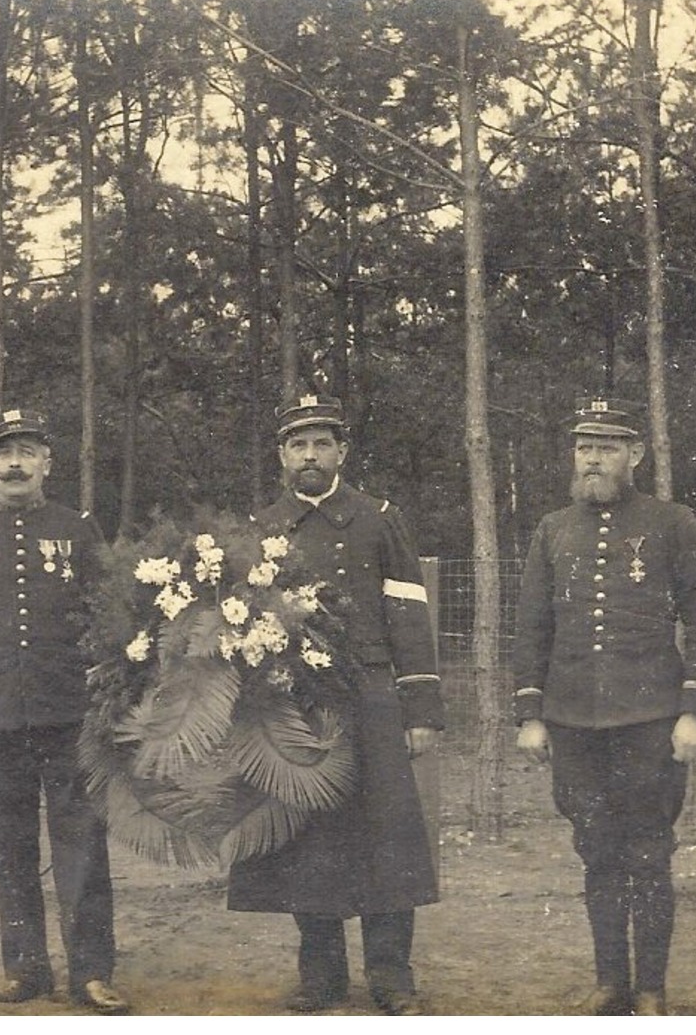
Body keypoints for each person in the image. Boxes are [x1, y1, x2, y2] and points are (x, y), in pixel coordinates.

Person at [227, 393, 445, 1016]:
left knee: (386, 832)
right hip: (297, 705)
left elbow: (408, 616)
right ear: (282, 456)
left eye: (323, 443)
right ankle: (320, 974)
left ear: (342, 452)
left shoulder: (380, 519)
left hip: (372, 698)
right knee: (307, 836)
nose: (311, 456)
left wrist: (420, 708)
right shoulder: (262, 527)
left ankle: (391, 976)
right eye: (299, 445)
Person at [512, 397, 696, 1017]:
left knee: (648, 851)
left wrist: (694, 710)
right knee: (596, 848)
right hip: (574, 723)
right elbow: (532, 629)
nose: (594, 460)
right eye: (584, 448)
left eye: (607, 448)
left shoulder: (673, 523)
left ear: (635, 454)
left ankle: (652, 990)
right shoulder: (552, 530)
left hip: (650, 722)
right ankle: (610, 983)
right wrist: (530, 714)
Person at [0, 408, 128, 1015]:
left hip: (70, 717)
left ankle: (91, 974)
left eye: (27, 451)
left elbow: (109, 615)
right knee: (10, 849)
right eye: (3, 452)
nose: (14, 463)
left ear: (47, 463)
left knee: (83, 845)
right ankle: (27, 971)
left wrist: (107, 695)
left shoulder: (78, 528)